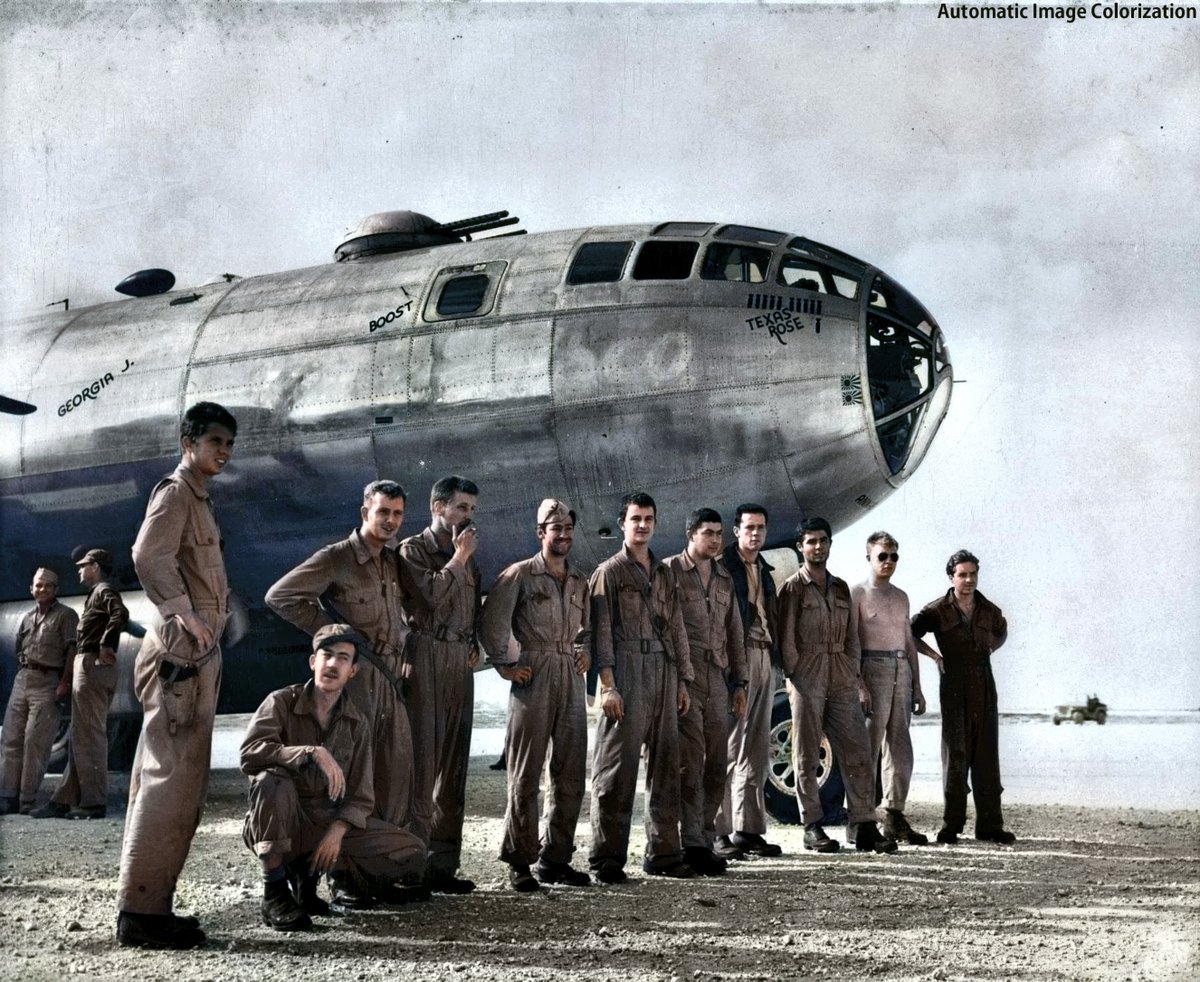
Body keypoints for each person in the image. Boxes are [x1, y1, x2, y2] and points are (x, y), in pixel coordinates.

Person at [116, 401, 237, 949]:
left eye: (228, 444)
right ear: (188, 443)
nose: (223, 451)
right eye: (214, 441)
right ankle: (141, 914)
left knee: (179, 782)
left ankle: (151, 905)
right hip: (181, 653)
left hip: (194, 653)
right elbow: (147, 554)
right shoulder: (175, 493)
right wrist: (183, 613)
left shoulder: (199, 497)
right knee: (168, 781)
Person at [265, 479, 418, 905]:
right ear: (365, 512)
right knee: (350, 775)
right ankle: (341, 880)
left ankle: (372, 877)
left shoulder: (391, 562)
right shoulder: (336, 557)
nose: (390, 521)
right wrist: (334, 639)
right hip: (357, 678)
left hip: (389, 680)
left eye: (397, 514)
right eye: (383, 512)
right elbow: (281, 596)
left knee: (391, 774)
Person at [241, 624, 426, 932]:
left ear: (352, 672)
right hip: (284, 819)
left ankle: (311, 879)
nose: (332, 664)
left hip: (325, 823)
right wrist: (311, 752)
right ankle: (274, 892)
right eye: (326, 655)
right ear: (313, 662)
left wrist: (337, 833)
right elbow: (250, 754)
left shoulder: (356, 723)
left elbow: (361, 796)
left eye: (343, 658)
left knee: (411, 850)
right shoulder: (281, 702)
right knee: (271, 780)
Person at [479, 498, 592, 892]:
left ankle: (556, 859)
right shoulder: (520, 574)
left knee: (571, 772)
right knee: (526, 773)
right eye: (555, 528)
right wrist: (505, 666)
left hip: (570, 676)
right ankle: (519, 861)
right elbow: (491, 622)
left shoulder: (578, 579)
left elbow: (587, 627)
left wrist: (585, 650)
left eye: (568, 528)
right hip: (534, 672)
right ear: (540, 532)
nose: (563, 535)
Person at [588, 491, 695, 883]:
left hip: (663, 671)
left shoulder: (664, 573)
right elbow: (600, 633)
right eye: (636, 519)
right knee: (615, 771)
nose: (643, 525)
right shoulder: (609, 573)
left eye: (649, 519)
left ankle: (664, 853)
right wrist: (608, 686)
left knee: (665, 768)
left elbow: (677, 628)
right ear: (622, 524)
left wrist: (682, 680)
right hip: (627, 670)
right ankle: (606, 858)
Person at [777, 517, 896, 854]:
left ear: (830, 544)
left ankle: (862, 825)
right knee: (807, 753)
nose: (818, 547)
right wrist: (796, 674)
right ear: (800, 547)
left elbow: (852, 637)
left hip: (841, 673)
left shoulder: (841, 588)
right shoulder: (793, 588)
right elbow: (786, 639)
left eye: (823, 540)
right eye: (811, 541)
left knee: (857, 748)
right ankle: (812, 826)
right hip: (808, 673)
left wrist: (854, 674)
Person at [398, 475, 482, 894]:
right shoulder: (413, 550)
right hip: (425, 654)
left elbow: (471, 605)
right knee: (422, 766)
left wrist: (474, 642)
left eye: (471, 509)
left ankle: (442, 867)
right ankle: (411, 867)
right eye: (461, 507)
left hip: (458, 661)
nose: (468, 516)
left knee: (454, 767)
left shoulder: (465, 554)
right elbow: (428, 597)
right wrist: (460, 558)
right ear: (437, 507)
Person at [665, 508, 748, 876]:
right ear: (690, 533)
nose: (716, 540)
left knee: (717, 763)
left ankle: (705, 835)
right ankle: (689, 843)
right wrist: (676, 679)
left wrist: (740, 683)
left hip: (718, 678)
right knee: (689, 763)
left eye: (719, 533)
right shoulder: (669, 572)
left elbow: (735, 633)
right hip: (685, 677)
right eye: (708, 532)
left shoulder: (723, 577)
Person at [911, 550, 1015, 845]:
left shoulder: (989, 609)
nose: (968, 580)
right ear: (951, 577)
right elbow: (910, 633)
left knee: (986, 756)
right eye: (962, 575)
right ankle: (951, 826)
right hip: (953, 683)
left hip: (984, 682)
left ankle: (990, 826)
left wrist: (990, 647)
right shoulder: (936, 610)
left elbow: (1001, 632)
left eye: (973, 574)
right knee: (955, 755)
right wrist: (934, 656)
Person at [34, 549, 129, 820]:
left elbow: (120, 614)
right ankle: (64, 799)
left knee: (90, 736)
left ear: (95, 567)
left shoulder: (103, 591)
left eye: (83, 566)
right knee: (81, 734)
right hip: (87, 665)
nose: (79, 570)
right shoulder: (97, 593)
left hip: (91, 665)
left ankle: (93, 803)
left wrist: (107, 644)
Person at [714, 503, 784, 859]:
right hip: (736, 661)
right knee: (728, 747)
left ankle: (748, 829)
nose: (755, 534)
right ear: (736, 531)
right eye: (749, 527)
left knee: (756, 748)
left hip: (764, 656)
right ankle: (717, 831)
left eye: (760, 528)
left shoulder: (764, 570)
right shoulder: (723, 568)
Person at [852, 532, 927, 846]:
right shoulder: (857, 593)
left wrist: (918, 687)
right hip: (873, 668)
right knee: (868, 746)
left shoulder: (901, 597)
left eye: (894, 556)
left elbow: (908, 644)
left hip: (901, 670)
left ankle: (894, 816)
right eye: (882, 556)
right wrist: (859, 684)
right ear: (869, 556)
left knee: (900, 746)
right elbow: (851, 643)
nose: (888, 562)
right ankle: (861, 819)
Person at [0, 568, 78, 816]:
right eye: (38, 585)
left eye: (47, 585)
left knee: (36, 741)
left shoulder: (66, 616)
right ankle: (7, 797)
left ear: (56, 589)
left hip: (49, 680)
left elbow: (72, 651)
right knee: (10, 737)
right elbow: (19, 648)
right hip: (24, 678)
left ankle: (27, 799)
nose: (42, 589)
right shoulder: (27, 617)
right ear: (31, 589)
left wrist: (64, 682)